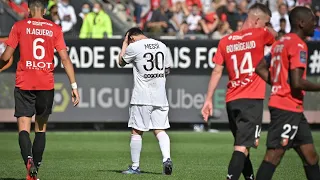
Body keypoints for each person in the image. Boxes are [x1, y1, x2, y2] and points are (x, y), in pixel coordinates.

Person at [0, 0, 80, 179]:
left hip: (24, 83)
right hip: (46, 84)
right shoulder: (55, 29)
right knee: (41, 129)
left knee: (23, 128)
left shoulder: (19, 26)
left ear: (28, 9)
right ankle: (35, 167)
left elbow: (6, 56)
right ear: (44, 10)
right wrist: (73, 86)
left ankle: (28, 162)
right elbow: (65, 59)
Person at [201, 3, 276, 180]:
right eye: (266, 23)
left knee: (243, 145)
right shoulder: (261, 33)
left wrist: (208, 99)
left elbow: (217, 71)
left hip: (232, 100)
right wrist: (268, 29)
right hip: (251, 100)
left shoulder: (225, 41)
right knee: (243, 147)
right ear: (257, 21)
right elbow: (275, 37)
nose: (267, 27)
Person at [255, 6, 320, 180]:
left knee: (311, 156)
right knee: (273, 155)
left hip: (294, 110)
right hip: (286, 108)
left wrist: (277, 83)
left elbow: (260, 67)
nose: (315, 24)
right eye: (313, 20)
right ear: (301, 23)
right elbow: (298, 82)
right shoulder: (298, 44)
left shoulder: (280, 43)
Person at [118, 27, 173, 175]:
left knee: (136, 131)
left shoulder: (134, 46)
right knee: (160, 130)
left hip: (142, 96)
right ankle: (166, 158)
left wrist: (124, 44)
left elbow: (121, 62)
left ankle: (135, 167)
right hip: (160, 95)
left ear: (131, 38)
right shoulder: (162, 45)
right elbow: (167, 69)